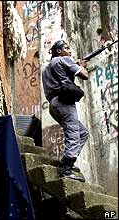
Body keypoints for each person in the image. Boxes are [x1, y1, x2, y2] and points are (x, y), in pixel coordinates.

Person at [42, 40, 89, 182]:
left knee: (83, 133)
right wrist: (80, 66)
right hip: (64, 102)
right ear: (58, 51)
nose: (70, 51)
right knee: (74, 134)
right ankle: (66, 169)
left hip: (53, 104)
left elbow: (62, 77)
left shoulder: (47, 68)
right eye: (66, 48)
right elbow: (84, 75)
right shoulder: (64, 59)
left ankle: (68, 161)